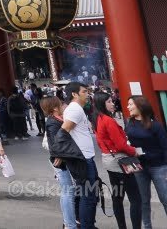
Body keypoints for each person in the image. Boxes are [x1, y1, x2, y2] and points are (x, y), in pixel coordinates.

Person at [93, 91, 141, 229]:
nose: (112, 103)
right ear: (102, 104)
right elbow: (120, 144)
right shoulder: (108, 120)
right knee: (135, 198)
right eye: (108, 101)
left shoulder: (98, 118)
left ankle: (122, 227)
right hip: (120, 161)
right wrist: (134, 152)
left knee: (117, 196)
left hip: (109, 160)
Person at [125, 94, 167, 229]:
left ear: (140, 105)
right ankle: (147, 226)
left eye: (130, 104)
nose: (128, 107)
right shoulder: (129, 123)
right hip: (138, 167)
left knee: (165, 198)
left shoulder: (156, 125)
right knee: (143, 201)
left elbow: (165, 147)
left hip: (158, 166)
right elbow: (127, 144)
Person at [61, 82, 98, 229]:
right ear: (74, 94)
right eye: (84, 91)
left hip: (85, 157)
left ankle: (87, 225)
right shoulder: (75, 109)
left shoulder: (77, 109)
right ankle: (86, 226)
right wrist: (60, 154)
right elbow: (63, 132)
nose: (87, 94)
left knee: (89, 194)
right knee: (88, 196)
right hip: (82, 159)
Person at [43, 95, 77, 229]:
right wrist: (60, 155)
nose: (64, 106)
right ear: (55, 108)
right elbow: (54, 143)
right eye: (61, 104)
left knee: (67, 191)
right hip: (60, 162)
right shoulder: (53, 122)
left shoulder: (57, 120)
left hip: (61, 160)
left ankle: (68, 222)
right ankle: (70, 224)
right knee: (68, 192)